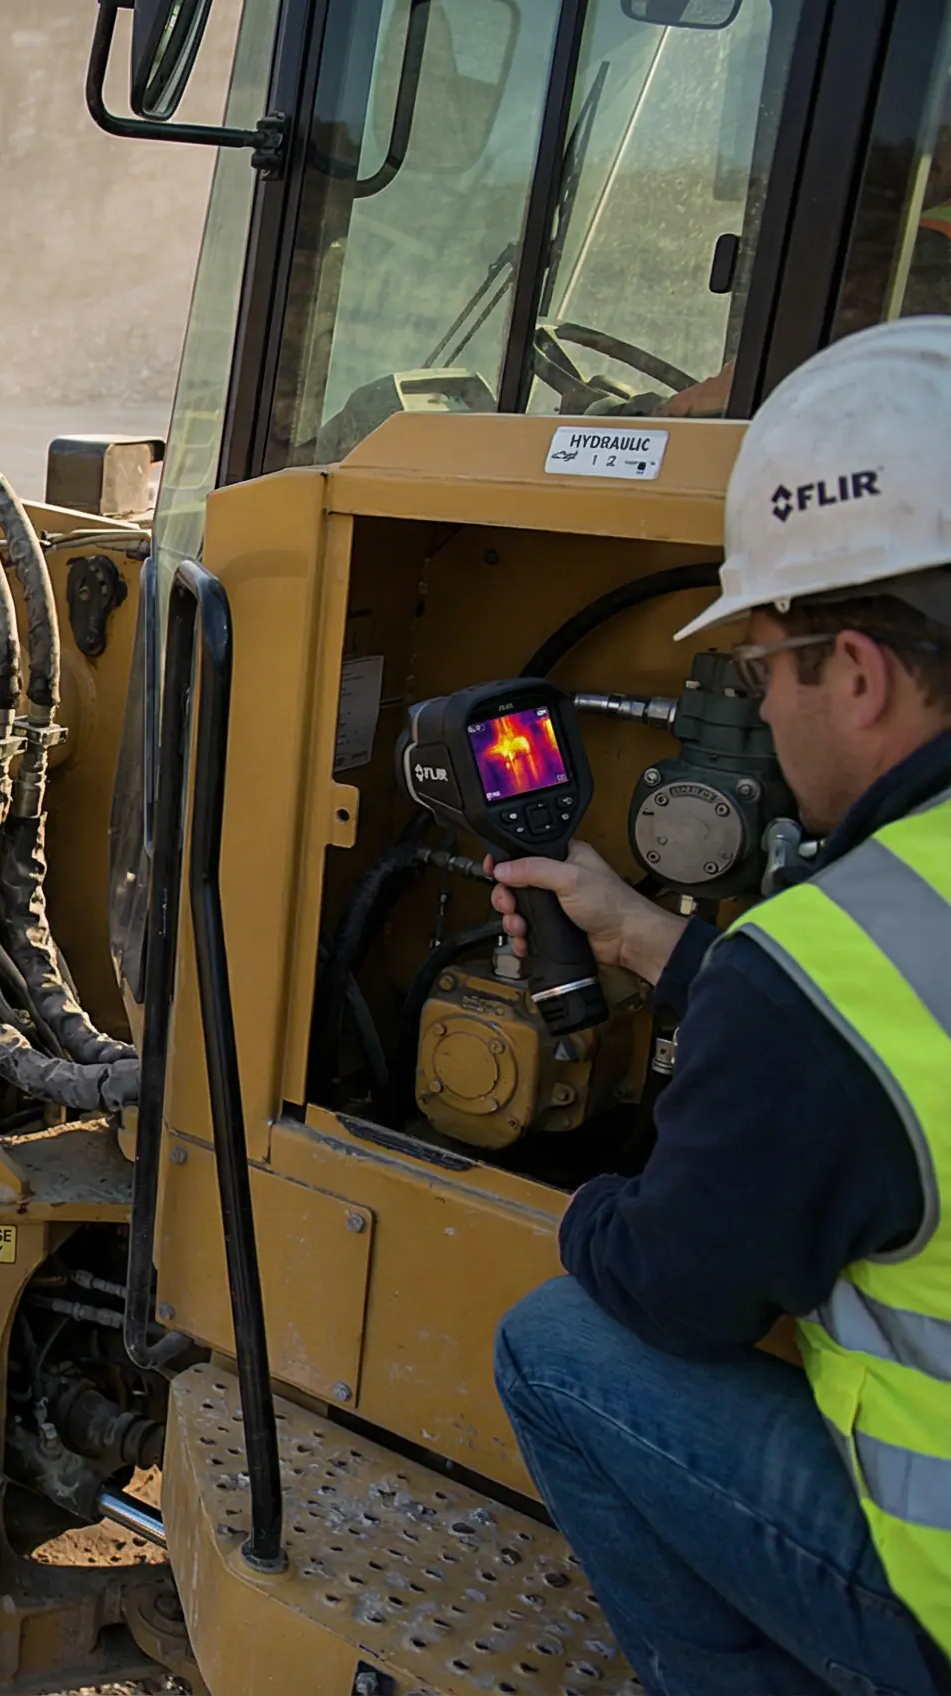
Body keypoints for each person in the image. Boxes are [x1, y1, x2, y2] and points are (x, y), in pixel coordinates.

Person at [490, 315, 951, 1696]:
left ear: (856, 674)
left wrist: (578, 1209)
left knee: (554, 1343)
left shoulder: (827, 967)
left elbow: (680, 1288)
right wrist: (652, 941)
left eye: (760, 679)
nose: (763, 713)